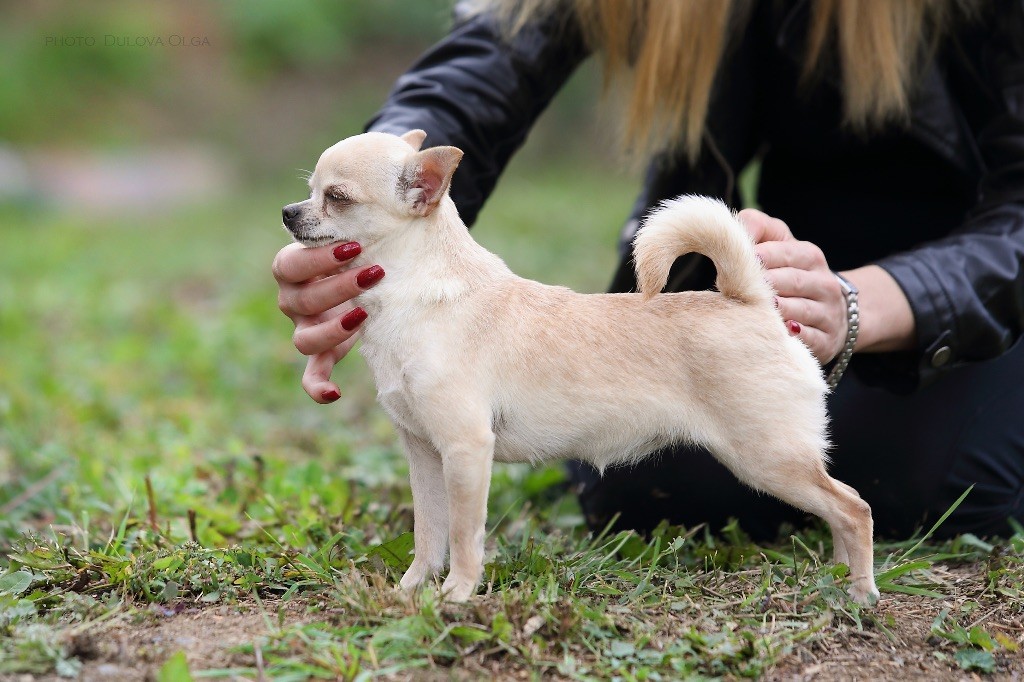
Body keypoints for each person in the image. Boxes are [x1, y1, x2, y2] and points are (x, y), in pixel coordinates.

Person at [273, 0, 1024, 540]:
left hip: (971, 290)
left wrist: (872, 303)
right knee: (645, 485)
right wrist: (371, 193)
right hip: (747, 268)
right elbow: (484, 65)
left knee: (948, 480)